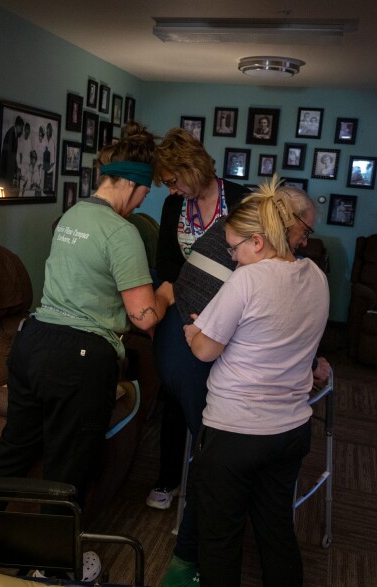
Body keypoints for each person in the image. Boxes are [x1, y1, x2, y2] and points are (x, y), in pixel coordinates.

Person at [0, 120, 174, 530]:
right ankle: (52, 562)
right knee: (68, 470)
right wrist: (167, 293)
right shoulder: (122, 233)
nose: (141, 203)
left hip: (31, 343)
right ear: (132, 185)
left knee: (13, 449)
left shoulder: (71, 214)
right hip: (79, 359)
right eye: (144, 193)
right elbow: (145, 317)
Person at [156, 176, 330, 587]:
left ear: (257, 240)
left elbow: (203, 350)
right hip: (290, 429)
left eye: (233, 248)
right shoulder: (316, 276)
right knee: (276, 532)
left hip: (236, 433)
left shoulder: (247, 281)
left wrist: (195, 330)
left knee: (220, 540)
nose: (231, 258)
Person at [149, 127, 252, 515]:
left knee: (219, 383)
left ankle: (217, 465)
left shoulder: (242, 199)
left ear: (191, 168)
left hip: (232, 308)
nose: (171, 190)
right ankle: (171, 475)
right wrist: (188, 294)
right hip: (182, 302)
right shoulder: (174, 206)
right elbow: (166, 263)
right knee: (176, 379)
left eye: (174, 181)